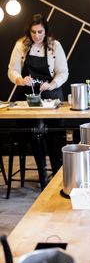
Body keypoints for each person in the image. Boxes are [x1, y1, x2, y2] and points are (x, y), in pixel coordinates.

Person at [8, 13, 69, 179]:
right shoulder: (21, 45)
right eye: (33, 32)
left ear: (46, 31)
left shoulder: (55, 46)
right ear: (29, 31)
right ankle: (42, 175)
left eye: (40, 32)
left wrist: (52, 84)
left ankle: (56, 174)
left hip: (51, 96)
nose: (36, 36)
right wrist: (20, 79)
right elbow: (12, 70)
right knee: (34, 134)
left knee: (54, 135)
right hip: (27, 98)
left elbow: (63, 73)